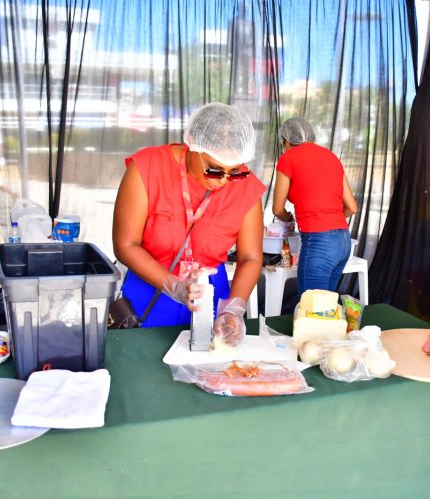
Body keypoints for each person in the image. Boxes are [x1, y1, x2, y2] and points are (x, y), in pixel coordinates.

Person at [113, 103, 265, 346]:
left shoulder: (246, 186)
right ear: (192, 143)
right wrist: (173, 285)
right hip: (150, 289)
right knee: (143, 367)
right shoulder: (148, 167)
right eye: (214, 170)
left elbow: (251, 258)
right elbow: (125, 244)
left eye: (234, 171)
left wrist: (234, 307)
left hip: (210, 297)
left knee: (207, 370)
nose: (224, 181)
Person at [272, 117, 358, 295]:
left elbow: (277, 209)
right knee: (325, 305)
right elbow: (352, 207)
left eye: (283, 143)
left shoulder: (288, 158)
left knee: (312, 308)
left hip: (319, 243)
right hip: (343, 242)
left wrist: (289, 219)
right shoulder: (331, 157)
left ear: (286, 140)